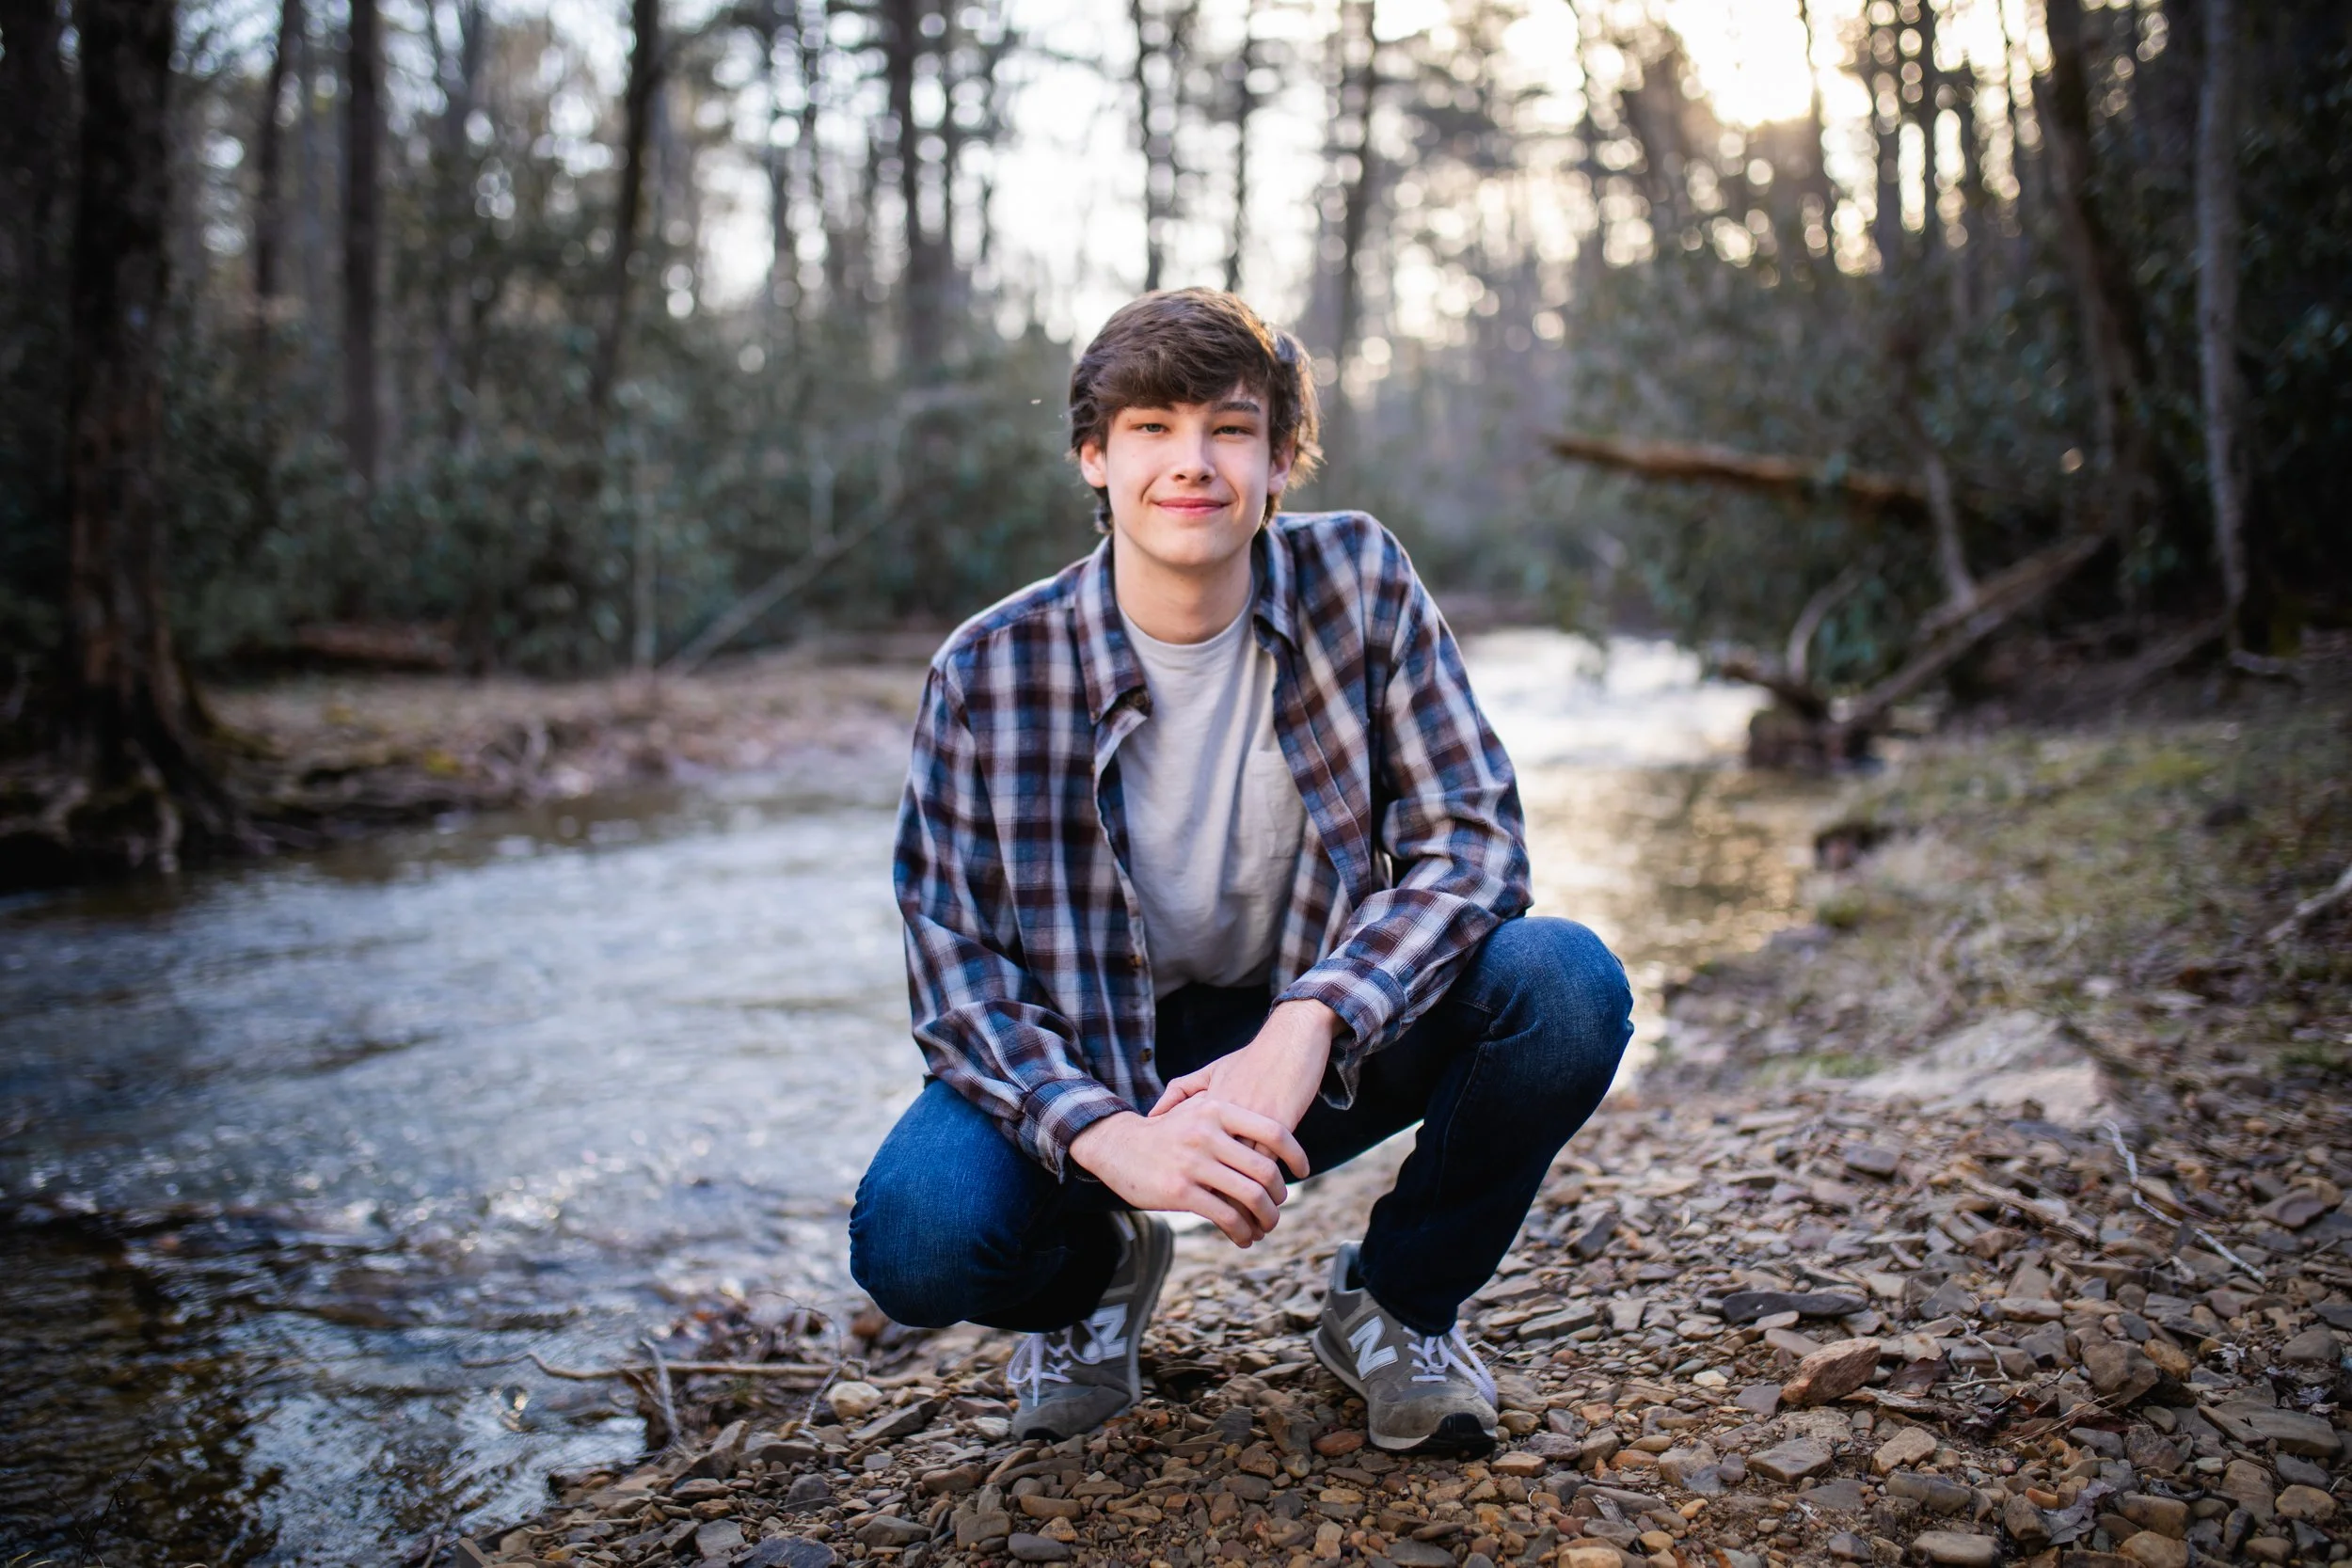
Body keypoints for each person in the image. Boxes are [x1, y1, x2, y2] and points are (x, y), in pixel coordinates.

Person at [850, 288, 1631, 1456]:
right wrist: (1105, 1136)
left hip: (1304, 1038)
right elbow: (957, 974)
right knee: (915, 1239)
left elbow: (1470, 840)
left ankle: (1398, 1308)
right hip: (1096, 1056)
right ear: (1093, 458)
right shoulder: (988, 667)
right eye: (1151, 428)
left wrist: (1316, 1014)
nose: (1192, 463)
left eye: (1228, 427)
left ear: (1279, 461)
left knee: (1563, 982)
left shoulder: (1358, 579)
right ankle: (1094, 1275)